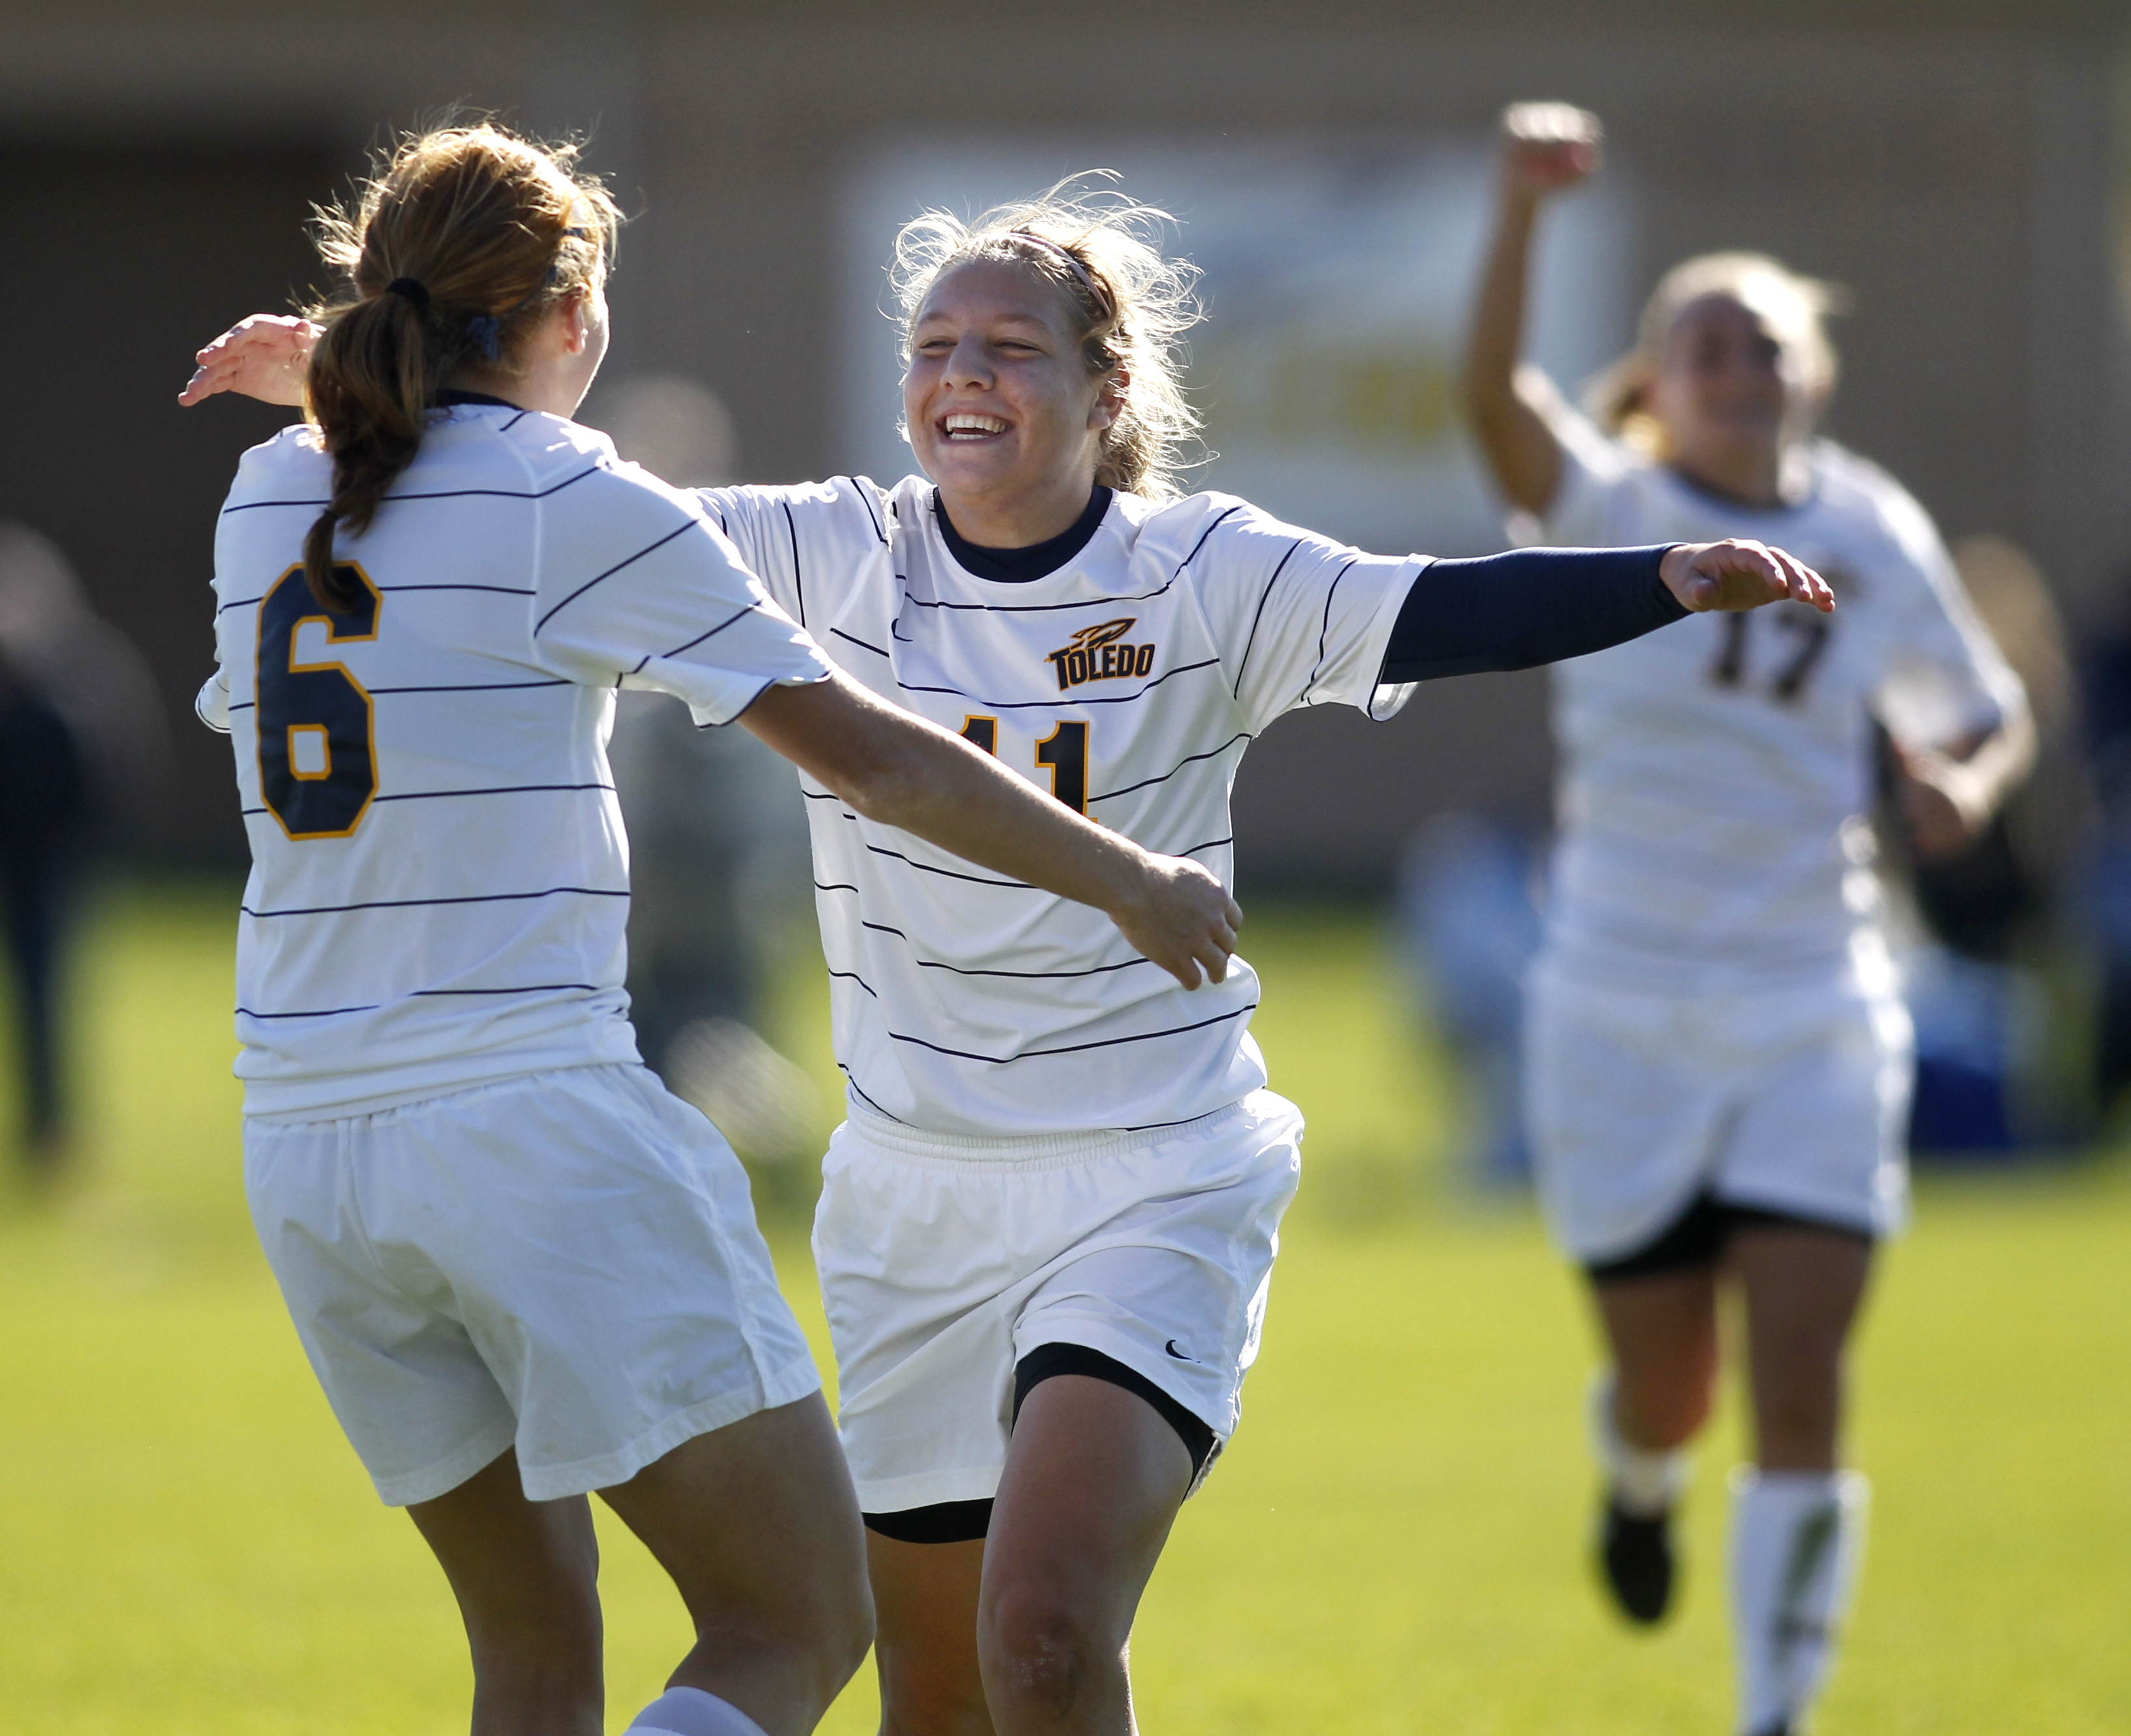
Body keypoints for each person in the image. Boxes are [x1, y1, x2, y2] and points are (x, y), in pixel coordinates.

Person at [187, 171, 1831, 1736]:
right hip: (911, 1197)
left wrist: (1659, 577)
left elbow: (1438, 606)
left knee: (1040, 1632)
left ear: (1109, 388)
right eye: (933, 348)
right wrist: (351, 393)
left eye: (1009, 348)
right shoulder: (838, 546)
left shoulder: (1204, 571)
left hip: (1150, 1169)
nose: (961, 376)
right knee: (936, 1696)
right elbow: (546, 515)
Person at [180, 126, 1247, 1736]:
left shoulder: (265, 492)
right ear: (571, 309)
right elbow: (879, 757)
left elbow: (401, 485)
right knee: (796, 1617)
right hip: (527, 1123)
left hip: (309, 1154)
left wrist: (334, 375)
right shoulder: (566, 492)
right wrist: (1130, 877)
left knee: (533, 1661)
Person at [1462, 102, 2031, 1736]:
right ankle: (1637, 1475)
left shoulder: (1869, 523)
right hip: (1619, 1002)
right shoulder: (1607, 502)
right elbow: (1493, 404)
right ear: (1658, 375)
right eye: (1699, 342)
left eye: (1760, 341)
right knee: (1670, 1382)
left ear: (1808, 376)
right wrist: (1517, 213)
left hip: (1815, 995)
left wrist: (1961, 787)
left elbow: (1980, 709)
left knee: (1801, 1377)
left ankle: (1775, 1710)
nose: (1732, 363)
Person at [0, 523, 167, 1175]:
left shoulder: (76, 677)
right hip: (38, 855)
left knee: (45, 997)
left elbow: (112, 765)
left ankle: (51, 1133)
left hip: (49, 862)